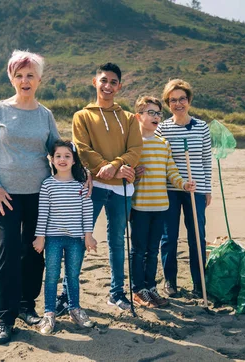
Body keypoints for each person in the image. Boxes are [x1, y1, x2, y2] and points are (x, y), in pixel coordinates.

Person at [0, 50, 60, 344]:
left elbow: (57, 150)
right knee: (8, 252)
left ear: (39, 79)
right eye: (19, 75)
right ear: (11, 78)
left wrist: (81, 172)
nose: (24, 81)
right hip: (6, 196)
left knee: (34, 252)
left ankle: (27, 307)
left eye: (30, 76)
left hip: (39, 194)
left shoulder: (45, 115)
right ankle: (4, 317)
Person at [62, 62, 142, 312]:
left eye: (113, 82)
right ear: (95, 82)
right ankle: (67, 295)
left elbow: (135, 150)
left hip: (121, 190)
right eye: (104, 80)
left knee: (117, 241)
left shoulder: (128, 118)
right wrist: (108, 168)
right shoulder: (82, 116)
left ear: (120, 86)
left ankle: (117, 293)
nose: (108, 86)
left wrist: (116, 166)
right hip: (92, 187)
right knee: (78, 240)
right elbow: (83, 150)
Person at [130, 96, 196, 308]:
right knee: (138, 250)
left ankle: (151, 288)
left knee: (153, 250)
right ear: (139, 116)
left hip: (160, 206)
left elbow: (171, 171)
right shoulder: (133, 145)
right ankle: (138, 289)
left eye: (158, 113)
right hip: (139, 206)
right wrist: (133, 173)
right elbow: (127, 172)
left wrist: (183, 184)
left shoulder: (163, 144)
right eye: (151, 112)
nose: (156, 116)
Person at [32, 140, 97, 334]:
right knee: (51, 276)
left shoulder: (81, 186)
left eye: (67, 156)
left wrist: (89, 236)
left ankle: (74, 309)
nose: (62, 159)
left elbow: (87, 211)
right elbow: (43, 212)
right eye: (58, 156)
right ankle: (49, 314)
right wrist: (40, 237)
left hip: (76, 240)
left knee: (73, 276)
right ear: (51, 160)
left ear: (74, 160)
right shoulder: (48, 185)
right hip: (52, 238)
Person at [155, 79, 212, 298]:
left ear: (189, 100)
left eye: (182, 99)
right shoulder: (163, 129)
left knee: (197, 236)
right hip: (170, 190)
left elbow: (206, 160)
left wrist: (207, 190)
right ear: (168, 103)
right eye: (173, 100)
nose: (178, 104)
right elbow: (160, 160)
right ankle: (170, 281)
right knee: (168, 237)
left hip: (195, 190)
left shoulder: (202, 127)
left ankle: (199, 283)